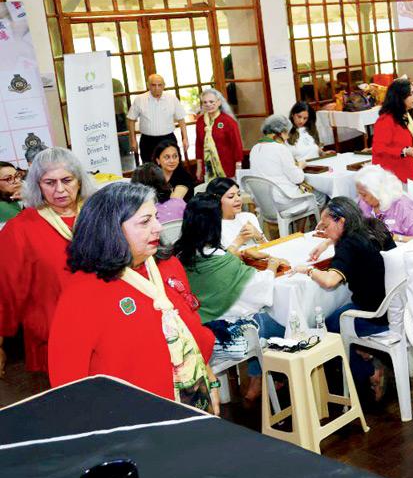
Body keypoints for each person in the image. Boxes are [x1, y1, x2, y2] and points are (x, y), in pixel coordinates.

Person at [49, 182, 218, 412]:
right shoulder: (83, 293)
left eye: (155, 217)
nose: (158, 227)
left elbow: (192, 330)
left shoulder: (167, 265)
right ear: (111, 229)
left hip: (193, 399)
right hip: (132, 419)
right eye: (145, 221)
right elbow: (67, 381)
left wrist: (210, 381)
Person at [0, 148, 96, 373]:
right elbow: (6, 288)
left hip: (107, 331)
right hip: (55, 339)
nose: (60, 189)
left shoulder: (97, 215)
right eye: (49, 182)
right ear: (36, 185)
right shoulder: (20, 229)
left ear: (79, 180)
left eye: (66, 180)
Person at [294, 197, 398, 398]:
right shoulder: (375, 226)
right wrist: (327, 242)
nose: (323, 230)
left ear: (341, 221)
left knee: (326, 326)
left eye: (325, 225)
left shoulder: (348, 245)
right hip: (395, 306)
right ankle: (365, 352)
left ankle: (368, 373)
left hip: (373, 314)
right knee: (339, 314)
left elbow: (330, 281)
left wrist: (307, 271)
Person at [175, 193, 286, 349]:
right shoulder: (222, 260)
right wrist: (272, 266)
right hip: (227, 329)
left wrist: (240, 253)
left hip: (197, 325)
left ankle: (254, 370)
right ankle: (260, 370)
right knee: (282, 317)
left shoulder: (180, 254)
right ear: (215, 224)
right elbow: (259, 290)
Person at [249, 115, 322, 204]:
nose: (287, 137)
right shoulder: (280, 149)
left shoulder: (255, 148)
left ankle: (302, 217)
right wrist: (300, 166)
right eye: (287, 133)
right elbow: (298, 179)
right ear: (282, 132)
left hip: (264, 202)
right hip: (284, 200)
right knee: (321, 196)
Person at [373, 78, 413, 186]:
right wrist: (403, 151)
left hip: (412, 170)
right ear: (400, 97)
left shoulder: (410, 115)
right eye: (411, 94)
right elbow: (378, 149)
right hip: (394, 176)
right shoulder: (386, 120)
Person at [354, 164, 413, 241]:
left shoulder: (404, 207)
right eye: (359, 194)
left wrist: (394, 237)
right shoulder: (363, 204)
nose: (361, 198)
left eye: (364, 195)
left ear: (377, 192)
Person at [127, 73, 187, 164]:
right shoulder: (140, 99)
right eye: (153, 85)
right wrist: (133, 140)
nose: (157, 88)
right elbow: (131, 120)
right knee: (150, 170)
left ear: (164, 86)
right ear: (148, 86)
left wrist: (185, 138)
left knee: (172, 167)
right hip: (148, 141)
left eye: (160, 85)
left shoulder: (172, 98)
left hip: (168, 139)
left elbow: (181, 119)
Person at [194, 87, 243, 180]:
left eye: (211, 101)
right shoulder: (200, 121)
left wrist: (238, 169)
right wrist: (199, 168)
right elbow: (199, 145)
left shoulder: (228, 121)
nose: (208, 104)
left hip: (228, 168)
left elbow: (237, 146)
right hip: (208, 169)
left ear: (219, 102)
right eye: (205, 102)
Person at [205, 177, 263, 253]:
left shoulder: (249, 217)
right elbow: (219, 261)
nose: (238, 199)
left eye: (239, 194)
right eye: (231, 196)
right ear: (216, 200)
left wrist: (259, 236)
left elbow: (269, 248)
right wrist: (240, 240)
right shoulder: (210, 226)